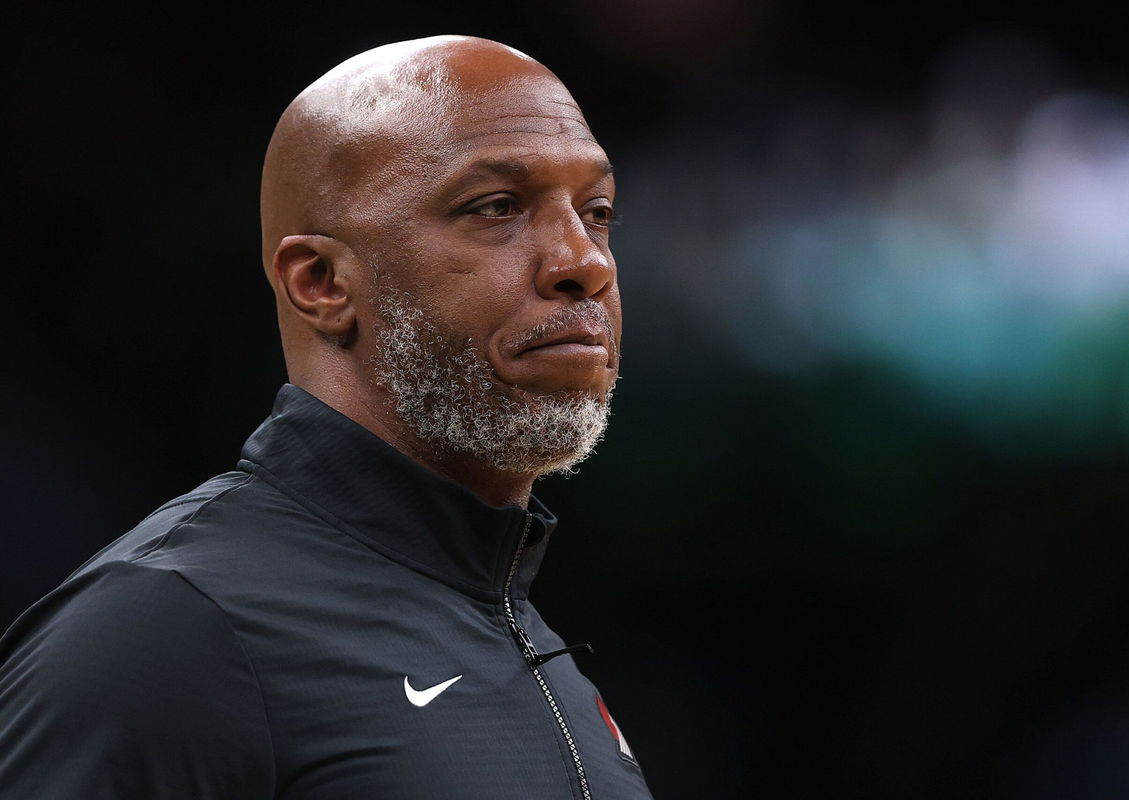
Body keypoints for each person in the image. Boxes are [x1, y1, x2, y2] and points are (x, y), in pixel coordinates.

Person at [0, 35, 653, 799]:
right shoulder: (171, 627)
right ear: (320, 283)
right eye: (496, 208)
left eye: (596, 210)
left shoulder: (536, 649)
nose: (586, 261)